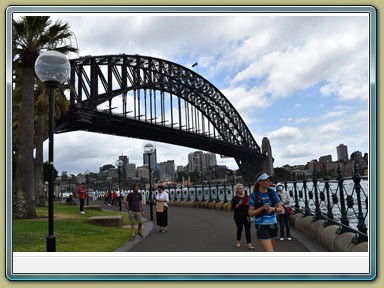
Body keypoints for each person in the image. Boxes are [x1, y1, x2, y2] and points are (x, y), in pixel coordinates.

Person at [248, 172, 283, 252]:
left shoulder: (272, 192)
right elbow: (250, 213)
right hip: (262, 226)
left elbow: (280, 208)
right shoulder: (254, 195)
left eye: (268, 180)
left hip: (273, 225)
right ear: (260, 182)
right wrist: (262, 208)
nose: (268, 182)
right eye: (265, 180)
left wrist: (272, 209)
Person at [231, 183, 255, 250]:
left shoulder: (246, 196)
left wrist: (248, 204)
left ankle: (249, 244)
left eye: (242, 188)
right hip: (238, 216)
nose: (241, 190)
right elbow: (233, 208)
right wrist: (239, 203)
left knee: (248, 230)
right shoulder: (235, 198)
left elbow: (251, 205)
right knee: (240, 229)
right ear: (237, 190)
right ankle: (238, 241)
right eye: (240, 188)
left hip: (247, 215)